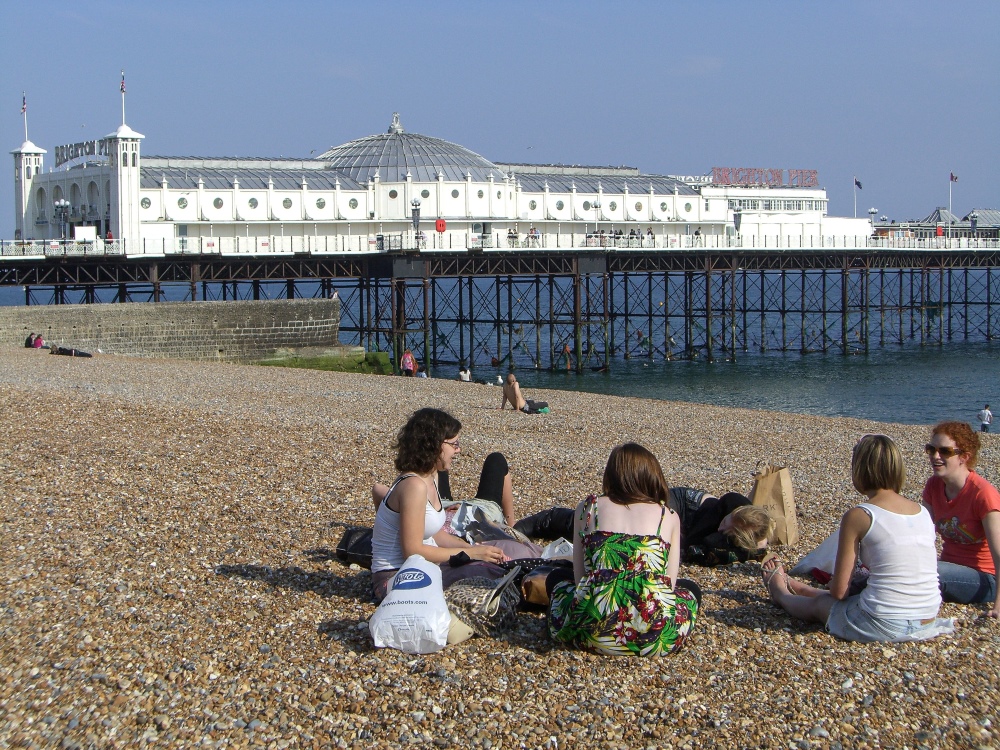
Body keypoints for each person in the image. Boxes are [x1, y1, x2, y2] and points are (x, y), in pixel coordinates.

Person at [762, 434, 949, 642]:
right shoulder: (922, 512)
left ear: (860, 470)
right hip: (927, 617)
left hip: (885, 623)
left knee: (823, 605)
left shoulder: (861, 515)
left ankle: (781, 593)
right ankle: (799, 587)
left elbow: (839, 592)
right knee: (862, 593)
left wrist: (836, 584)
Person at [548, 443, 700, 656]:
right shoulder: (667, 516)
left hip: (590, 631)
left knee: (556, 579)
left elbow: (580, 577)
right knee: (691, 589)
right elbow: (668, 585)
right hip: (653, 638)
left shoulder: (589, 508)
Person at [370, 408, 508, 602]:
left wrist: (470, 547)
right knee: (487, 577)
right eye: (454, 444)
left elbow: (434, 534)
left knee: (495, 568)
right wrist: (470, 554)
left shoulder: (430, 476)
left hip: (419, 568)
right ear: (434, 445)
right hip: (395, 578)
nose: (458, 450)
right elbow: (412, 551)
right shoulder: (413, 486)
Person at [922, 421, 1000, 618]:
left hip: (985, 578)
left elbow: (999, 553)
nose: (935, 456)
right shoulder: (933, 486)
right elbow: (921, 534)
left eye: (944, 451)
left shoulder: (983, 494)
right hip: (949, 568)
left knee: (930, 573)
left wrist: (999, 604)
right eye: (931, 449)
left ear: (964, 457)